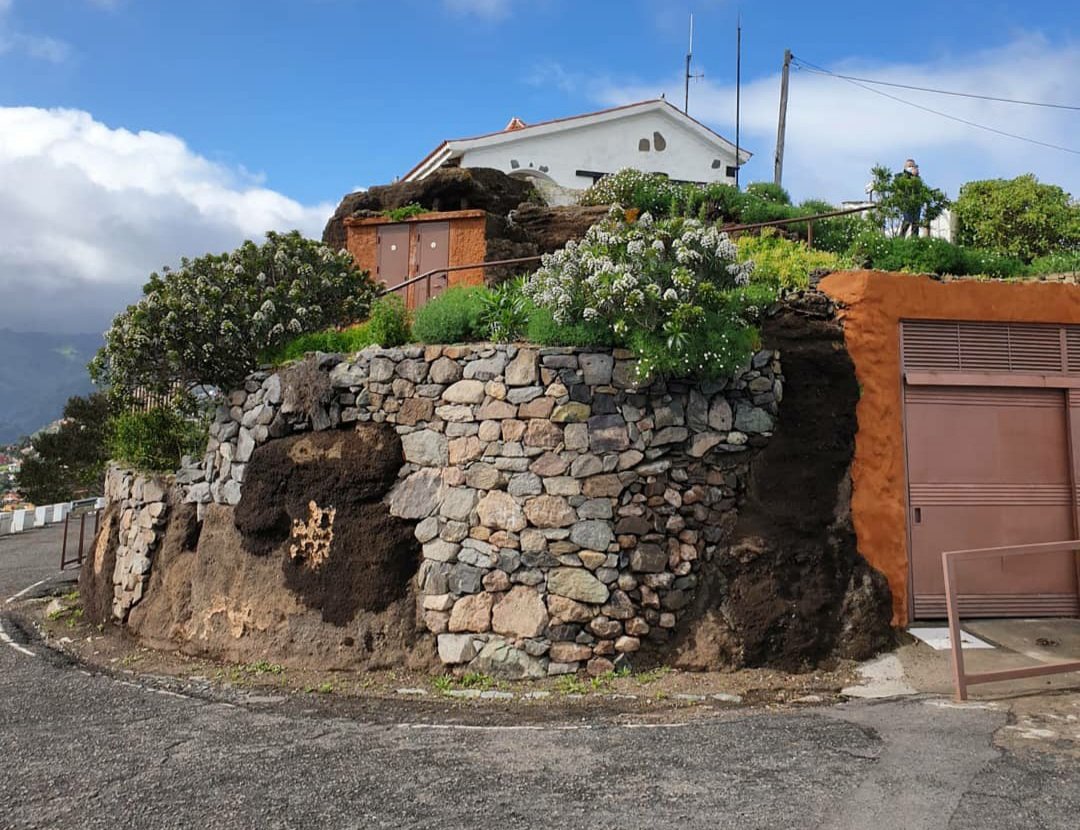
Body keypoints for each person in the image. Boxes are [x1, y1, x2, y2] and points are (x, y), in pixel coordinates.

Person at [897, 159, 921, 238]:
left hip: (916, 203)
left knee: (916, 223)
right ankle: (901, 238)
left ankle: (914, 240)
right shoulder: (902, 176)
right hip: (906, 202)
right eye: (909, 166)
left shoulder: (917, 178)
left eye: (912, 166)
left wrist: (916, 176)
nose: (911, 168)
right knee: (907, 221)